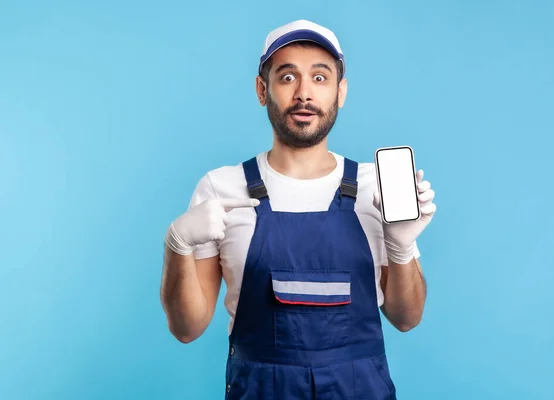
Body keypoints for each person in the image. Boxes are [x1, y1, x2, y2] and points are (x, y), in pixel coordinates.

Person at [160, 19, 437, 399]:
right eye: (287, 77)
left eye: (320, 78)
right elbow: (186, 327)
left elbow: (407, 318)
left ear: (341, 92)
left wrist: (401, 247)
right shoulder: (221, 189)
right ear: (262, 90)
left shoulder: (377, 188)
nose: (304, 93)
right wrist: (176, 245)